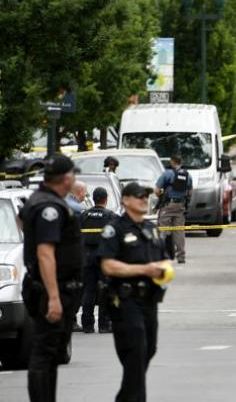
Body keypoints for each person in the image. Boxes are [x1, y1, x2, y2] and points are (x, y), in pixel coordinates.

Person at [97, 182, 171, 402]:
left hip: (150, 300)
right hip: (125, 300)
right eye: (139, 196)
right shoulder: (115, 228)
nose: (144, 200)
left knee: (148, 351)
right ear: (126, 200)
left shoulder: (152, 229)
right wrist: (144, 270)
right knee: (136, 352)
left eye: (146, 197)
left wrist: (164, 270)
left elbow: (164, 258)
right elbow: (108, 265)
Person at [20, 154, 83, 402]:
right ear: (66, 179)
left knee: (51, 354)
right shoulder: (49, 207)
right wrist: (54, 297)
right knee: (44, 354)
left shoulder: (40, 200)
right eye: (73, 175)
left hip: (50, 287)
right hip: (51, 289)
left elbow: (22, 220)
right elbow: (45, 253)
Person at [79, 187, 118, 333]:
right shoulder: (110, 216)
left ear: (94, 199)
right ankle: (104, 325)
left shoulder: (84, 215)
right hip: (104, 258)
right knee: (105, 290)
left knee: (88, 290)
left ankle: (87, 325)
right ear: (106, 199)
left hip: (87, 257)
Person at [155, 155, 193, 264]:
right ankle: (181, 256)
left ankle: (161, 255)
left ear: (172, 162)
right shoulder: (187, 175)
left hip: (168, 205)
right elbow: (190, 192)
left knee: (163, 229)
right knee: (179, 231)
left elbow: (156, 190)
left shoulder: (167, 173)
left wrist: (161, 197)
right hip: (180, 206)